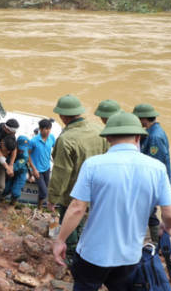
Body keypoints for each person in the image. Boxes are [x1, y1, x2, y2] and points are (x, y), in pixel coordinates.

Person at [53, 112, 171, 290]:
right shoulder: (157, 169)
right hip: (129, 257)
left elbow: (77, 209)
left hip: (93, 254)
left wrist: (60, 241)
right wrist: (168, 226)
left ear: (108, 137)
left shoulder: (93, 164)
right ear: (138, 137)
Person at [48, 94, 108, 266]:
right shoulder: (99, 130)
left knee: (69, 217)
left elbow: (61, 173)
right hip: (97, 187)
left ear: (63, 116)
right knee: (85, 219)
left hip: (73, 191)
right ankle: (84, 248)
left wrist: (53, 197)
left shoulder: (66, 139)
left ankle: (72, 255)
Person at [133, 103, 171, 243]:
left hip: (152, 180)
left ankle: (157, 243)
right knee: (148, 211)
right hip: (150, 179)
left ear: (143, 119)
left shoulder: (154, 137)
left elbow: (155, 163)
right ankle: (156, 242)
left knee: (149, 212)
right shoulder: (153, 132)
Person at [1, 136, 36, 207]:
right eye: (20, 147)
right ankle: (1, 200)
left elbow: (15, 166)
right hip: (9, 170)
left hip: (20, 172)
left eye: (24, 148)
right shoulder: (10, 148)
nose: (22, 150)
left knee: (15, 191)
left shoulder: (25, 155)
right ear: (16, 144)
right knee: (5, 188)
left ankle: (12, 204)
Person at [28, 119, 56, 210]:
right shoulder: (33, 141)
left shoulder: (51, 137)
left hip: (47, 168)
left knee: (45, 188)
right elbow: (28, 155)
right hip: (37, 170)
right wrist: (33, 169)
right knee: (44, 193)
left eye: (50, 129)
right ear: (40, 129)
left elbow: (56, 149)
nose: (48, 131)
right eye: (46, 129)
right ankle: (39, 209)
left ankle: (39, 207)